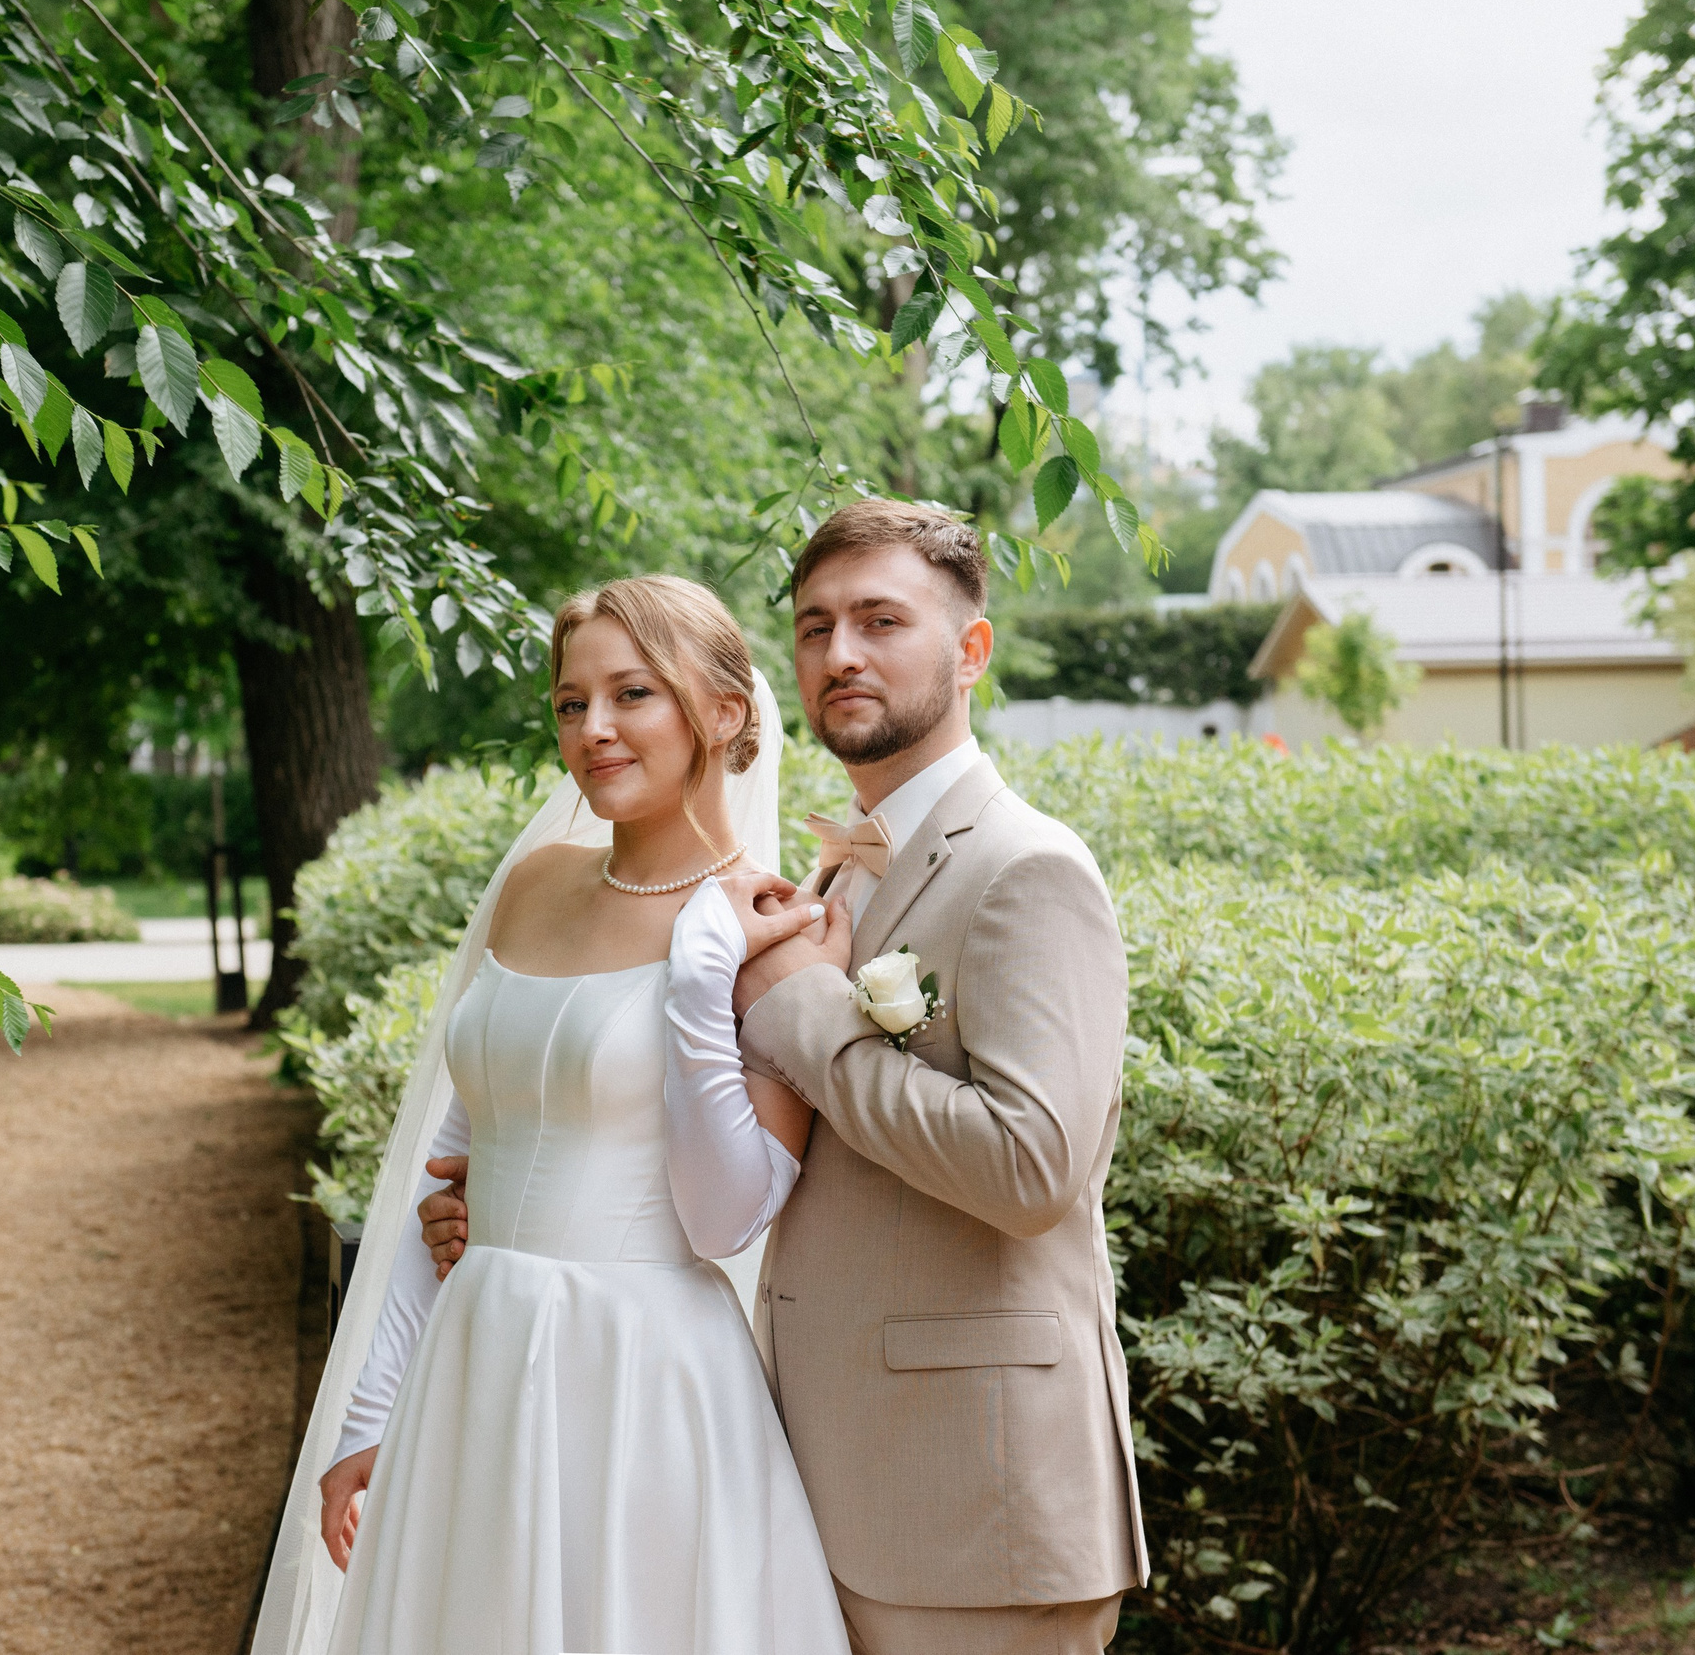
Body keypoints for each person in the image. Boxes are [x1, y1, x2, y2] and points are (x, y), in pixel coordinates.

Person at [424, 501, 1149, 1655]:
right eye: (815, 626)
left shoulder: (1027, 867)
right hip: (813, 1476)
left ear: (970, 650)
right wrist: (522, 1206)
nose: (840, 652)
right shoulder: (827, 876)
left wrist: (806, 1011)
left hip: (976, 1503)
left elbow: (1031, 1168)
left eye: (880, 620)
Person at [250, 574, 854, 1655]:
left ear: (723, 711)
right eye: (572, 703)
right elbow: (452, 1161)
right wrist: (370, 1410)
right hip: (475, 1355)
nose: (594, 728)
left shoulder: (775, 928)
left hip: (639, 1378)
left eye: (633, 693)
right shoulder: (533, 884)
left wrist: (698, 973)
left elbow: (729, 1217)